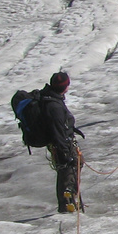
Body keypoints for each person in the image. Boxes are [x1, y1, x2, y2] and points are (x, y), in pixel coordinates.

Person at [42, 71, 85, 213]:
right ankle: (67, 207)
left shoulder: (52, 99)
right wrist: (66, 155)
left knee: (73, 169)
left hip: (62, 144)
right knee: (67, 173)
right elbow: (58, 132)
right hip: (63, 146)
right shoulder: (54, 106)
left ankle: (71, 202)